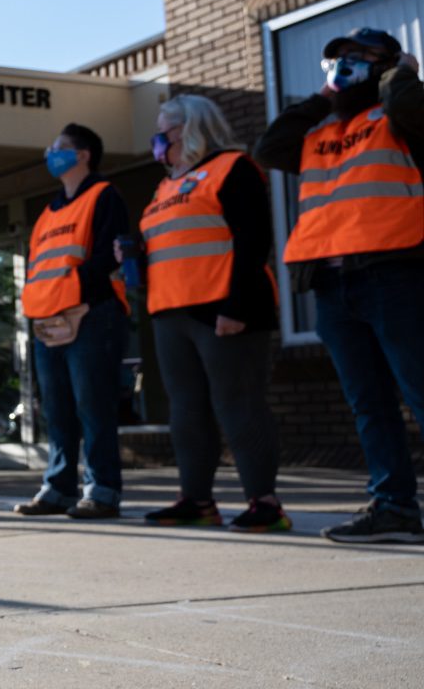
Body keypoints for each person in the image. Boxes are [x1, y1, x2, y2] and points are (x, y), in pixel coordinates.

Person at [255, 28, 424, 545]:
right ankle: (394, 506)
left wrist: (402, 75)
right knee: (368, 402)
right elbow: (269, 146)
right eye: (336, 60)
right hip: (332, 283)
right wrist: (323, 98)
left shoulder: (399, 114)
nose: (343, 66)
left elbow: (416, 114)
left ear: (385, 66)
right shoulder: (317, 133)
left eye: (357, 58)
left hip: (396, 274)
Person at [134, 95, 287, 532]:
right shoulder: (164, 186)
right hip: (170, 312)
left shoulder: (231, 168)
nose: (159, 137)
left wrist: (236, 306)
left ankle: (266, 503)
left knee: (239, 406)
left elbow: (253, 239)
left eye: (165, 127)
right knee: (186, 410)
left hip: (223, 310)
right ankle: (196, 500)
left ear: (189, 127)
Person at [15, 122, 134, 520]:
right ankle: (59, 486)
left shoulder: (104, 196)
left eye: (60, 147)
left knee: (93, 405)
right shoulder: (48, 212)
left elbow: (107, 258)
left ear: (83, 155)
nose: (51, 153)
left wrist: (72, 291)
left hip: (92, 315)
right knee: (58, 409)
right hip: (50, 320)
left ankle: (102, 490)